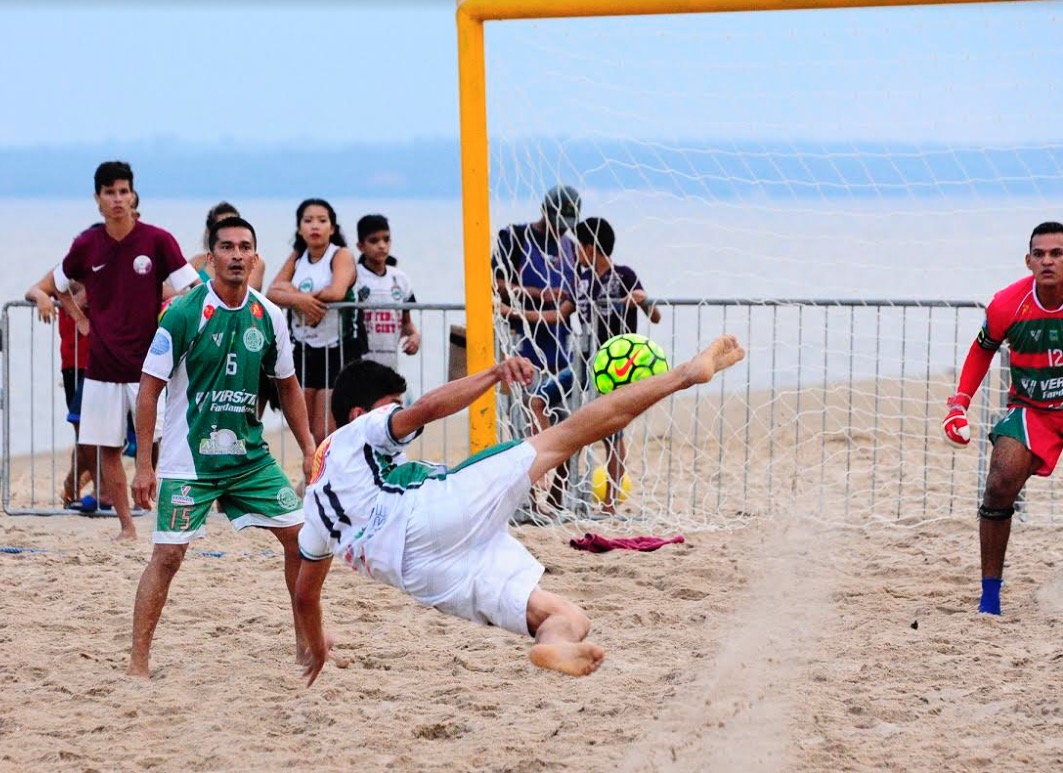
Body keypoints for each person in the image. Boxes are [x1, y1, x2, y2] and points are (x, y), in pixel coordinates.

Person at [293, 333, 746, 685]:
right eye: (390, 407)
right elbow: (428, 408)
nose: (397, 415)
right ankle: (686, 374)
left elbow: (305, 595)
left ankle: (554, 647)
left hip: (425, 577)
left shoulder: (314, 507)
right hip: (430, 512)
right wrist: (492, 374)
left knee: (567, 619)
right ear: (358, 413)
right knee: (569, 435)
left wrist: (315, 646)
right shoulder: (358, 432)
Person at [127, 216, 318, 678]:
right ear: (210, 258)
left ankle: (306, 645)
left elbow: (288, 387)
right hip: (188, 460)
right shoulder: (183, 313)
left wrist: (310, 449)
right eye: (227, 247)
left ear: (255, 257)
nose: (236, 255)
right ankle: (138, 663)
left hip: (249, 459)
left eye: (244, 247)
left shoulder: (268, 315)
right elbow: (149, 389)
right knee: (168, 557)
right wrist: (144, 465)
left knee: (302, 541)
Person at [50, 161, 199, 540]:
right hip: (100, 366)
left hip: (148, 365)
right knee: (108, 448)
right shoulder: (87, 244)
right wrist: (78, 319)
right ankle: (127, 526)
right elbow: (57, 283)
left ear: (133, 195)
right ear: (98, 200)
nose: (117, 199)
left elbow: (193, 288)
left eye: (123, 191)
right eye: (109, 192)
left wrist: (175, 322)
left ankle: (168, 517)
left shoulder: (157, 240)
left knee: (162, 442)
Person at [943, 221, 1063, 616]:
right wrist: (959, 404)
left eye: (1057, 254)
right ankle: (990, 599)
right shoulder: (1007, 304)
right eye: (1040, 254)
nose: (1048, 261)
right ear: (1028, 261)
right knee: (998, 484)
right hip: (1031, 411)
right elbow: (982, 350)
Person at [534, 216, 663, 516]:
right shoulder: (583, 280)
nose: (576, 252)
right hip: (584, 360)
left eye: (579, 246)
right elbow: (561, 314)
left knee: (610, 432)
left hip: (615, 364)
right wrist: (512, 312)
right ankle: (545, 471)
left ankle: (609, 506)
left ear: (590, 248)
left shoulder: (624, 275)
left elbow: (654, 315)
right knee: (540, 400)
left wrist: (642, 301)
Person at [494, 185, 580, 511]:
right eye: (558, 221)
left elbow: (573, 295)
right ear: (545, 211)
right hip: (521, 342)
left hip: (560, 344)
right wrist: (536, 294)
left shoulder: (570, 247)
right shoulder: (514, 237)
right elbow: (496, 283)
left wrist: (558, 310)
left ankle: (558, 500)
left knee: (565, 422)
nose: (561, 229)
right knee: (522, 425)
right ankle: (526, 500)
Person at [266, 199, 359, 446]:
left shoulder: (341, 255)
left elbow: (337, 291)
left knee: (325, 430)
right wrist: (300, 301)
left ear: (333, 227)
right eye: (308, 221)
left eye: (322, 220)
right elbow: (272, 293)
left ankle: (329, 478)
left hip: (336, 350)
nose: (314, 226)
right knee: (304, 430)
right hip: (305, 351)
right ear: (299, 228)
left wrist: (294, 295)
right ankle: (312, 478)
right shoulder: (297, 258)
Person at [24, 273, 103, 510]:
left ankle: (78, 482)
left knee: (107, 435)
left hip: (107, 362)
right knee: (84, 432)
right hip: (74, 364)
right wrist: (43, 298)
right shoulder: (65, 272)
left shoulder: (107, 270)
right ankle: (76, 486)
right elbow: (34, 289)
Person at [352, 214, 421, 369]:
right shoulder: (354, 277)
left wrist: (415, 337)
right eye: (374, 241)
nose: (381, 245)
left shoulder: (400, 278)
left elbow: (406, 322)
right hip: (360, 362)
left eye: (386, 239)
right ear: (360, 246)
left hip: (390, 363)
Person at [189, 202, 266, 290]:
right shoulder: (196, 263)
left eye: (235, 225)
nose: (230, 231)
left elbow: (246, 294)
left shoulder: (254, 262)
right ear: (210, 233)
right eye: (223, 226)